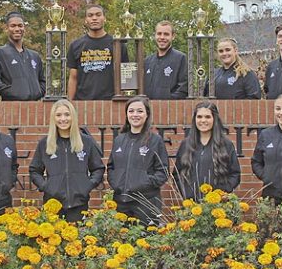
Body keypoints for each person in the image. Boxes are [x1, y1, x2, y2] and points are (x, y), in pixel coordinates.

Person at [29, 99, 105, 222]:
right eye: (58, 115)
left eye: (67, 114)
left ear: (73, 117)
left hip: (78, 205)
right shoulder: (44, 143)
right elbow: (34, 170)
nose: (63, 119)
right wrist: (46, 186)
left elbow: (98, 168)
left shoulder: (86, 142)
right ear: (53, 118)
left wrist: (86, 185)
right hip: (53, 205)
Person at [107, 96, 168, 225]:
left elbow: (162, 173)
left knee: (147, 243)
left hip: (146, 203)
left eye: (140, 111)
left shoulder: (155, 141)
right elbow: (111, 167)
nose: (135, 114)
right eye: (131, 111)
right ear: (126, 115)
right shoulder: (119, 140)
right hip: (121, 203)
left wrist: (142, 183)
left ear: (147, 115)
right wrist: (116, 183)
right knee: (122, 243)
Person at [173, 102, 241, 201]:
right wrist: (186, 193)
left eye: (207, 117)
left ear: (214, 119)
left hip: (218, 206)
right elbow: (177, 174)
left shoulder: (226, 144)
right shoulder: (186, 144)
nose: (203, 120)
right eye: (199, 117)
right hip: (192, 206)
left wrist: (221, 193)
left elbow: (235, 174)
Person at [67, 4, 128, 100]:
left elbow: (124, 76)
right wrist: (69, 103)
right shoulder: (75, 45)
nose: (94, 18)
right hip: (83, 101)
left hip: (111, 101)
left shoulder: (118, 44)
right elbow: (73, 77)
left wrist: (121, 99)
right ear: (85, 20)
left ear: (105, 18)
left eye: (98, 15)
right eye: (90, 15)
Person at [0, 12, 46, 100]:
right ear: (6, 28)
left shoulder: (35, 56)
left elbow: (43, 81)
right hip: (11, 106)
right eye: (13, 26)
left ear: (24, 28)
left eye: (20, 25)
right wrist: (15, 93)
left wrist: (38, 92)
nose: (17, 29)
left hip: (34, 106)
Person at [143, 21, 188, 99]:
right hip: (148, 108)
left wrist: (166, 103)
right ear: (155, 35)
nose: (162, 37)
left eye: (166, 34)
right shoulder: (147, 61)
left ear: (173, 36)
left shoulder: (181, 58)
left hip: (171, 108)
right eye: (159, 33)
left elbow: (183, 88)